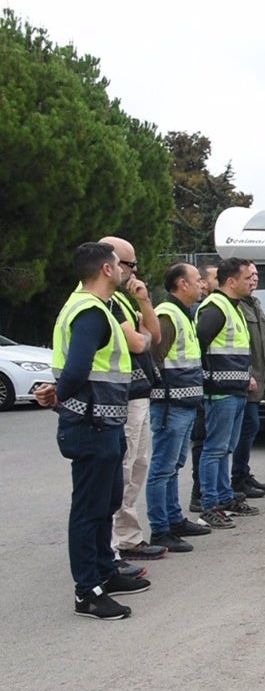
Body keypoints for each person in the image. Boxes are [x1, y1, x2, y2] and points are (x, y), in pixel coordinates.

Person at [38, 242, 151, 619]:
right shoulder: (90, 312)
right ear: (106, 269)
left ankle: (105, 571)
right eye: (120, 264)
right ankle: (87, 592)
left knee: (107, 501)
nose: (124, 271)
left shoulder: (98, 308)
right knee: (89, 510)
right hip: (91, 424)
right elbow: (77, 368)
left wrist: (60, 394)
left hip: (106, 421)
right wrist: (59, 397)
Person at [101, 236, 170, 570]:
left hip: (140, 391)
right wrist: (141, 336)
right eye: (129, 265)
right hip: (122, 395)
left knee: (137, 466)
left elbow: (153, 336)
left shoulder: (126, 300)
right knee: (124, 469)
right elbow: (138, 343)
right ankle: (114, 544)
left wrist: (144, 302)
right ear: (110, 263)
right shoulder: (106, 302)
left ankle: (128, 537)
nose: (134, 272)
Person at [145, 262, 212, 553]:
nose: (202, 285)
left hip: (184, 402)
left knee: (173, 466)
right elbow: (153, 360)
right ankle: (160, 529)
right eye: (197, 280)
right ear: (182, 284)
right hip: (171, 404)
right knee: (162, 468)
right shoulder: (167, 314)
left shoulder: (183, 314)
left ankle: (174, 519)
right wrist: (165, 395)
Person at [196, 257, 259, 528]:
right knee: (215, 449)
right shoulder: (215, 307)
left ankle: (224, 497)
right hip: (219, 391)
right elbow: (197, 345)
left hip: (235, 387)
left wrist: (246, 378)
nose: (253, 281)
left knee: (225, 449)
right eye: (248, 277)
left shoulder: (233, 306)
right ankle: (209, 504)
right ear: (231, 281)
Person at [231, 262, 265, 498]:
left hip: (258, 376)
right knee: (247, 428)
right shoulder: (235, 307)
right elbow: (238, 345)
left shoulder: (254, 303)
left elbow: (262, 342)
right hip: (245, 378)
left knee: (250, 427)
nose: (254, 279)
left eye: (256, 275)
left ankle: (243, 473)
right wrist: (247, 373)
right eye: (249, 276)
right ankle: (237, 478)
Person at [189, 262, 220, 513]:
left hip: (208, 384)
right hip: (204, 385)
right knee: (204, 440)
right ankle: (199, 493)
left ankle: (216, 490)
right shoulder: (205, 309)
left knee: (217, 443)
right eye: (213, 278)